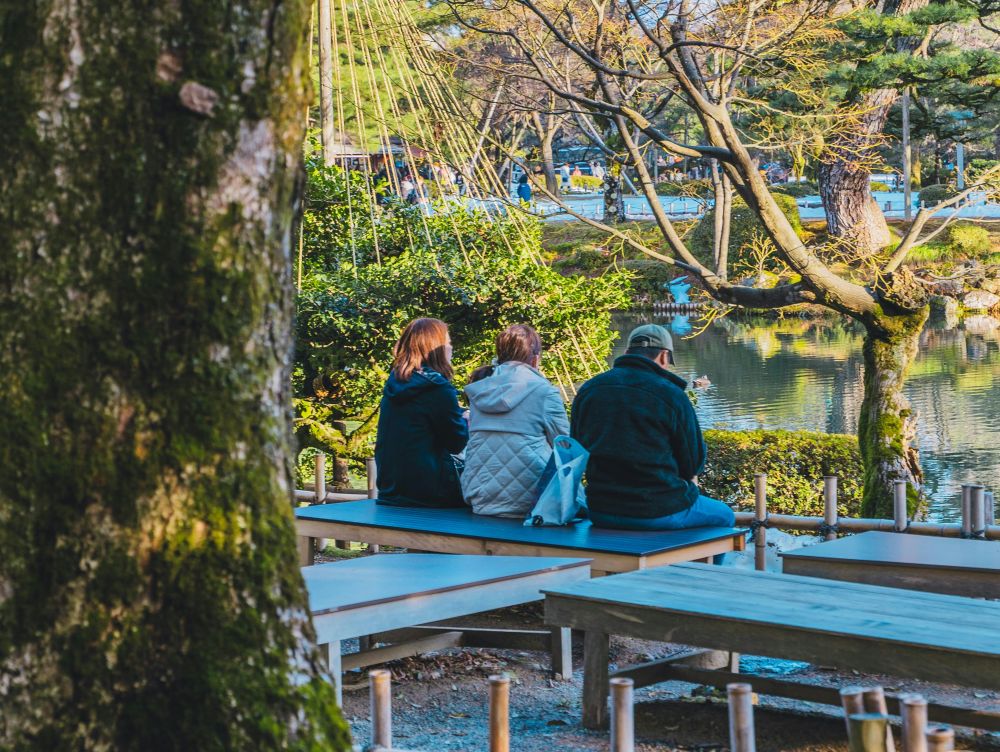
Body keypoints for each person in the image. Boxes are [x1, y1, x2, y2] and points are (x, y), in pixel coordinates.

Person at [570, 324, 735, 530]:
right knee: (725, 516)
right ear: (664, 357)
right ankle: (694, 563)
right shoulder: (672, 395)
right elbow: (693, 463)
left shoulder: (589, 390)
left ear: (628, 352)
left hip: (601, 509)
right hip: (658, 509)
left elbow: (575, 449)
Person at [462, 325, 569, 518]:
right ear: (535, 358)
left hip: (479, 496)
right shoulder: (544, 391)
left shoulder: (480, 390)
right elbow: (565, 445)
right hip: (532, 500)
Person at [374, 318, 468, 507]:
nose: (451, 348)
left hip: (390, 490)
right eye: (448, 343)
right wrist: (466, 420)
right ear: (436, 348)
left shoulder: (394, 383)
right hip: (431, 492)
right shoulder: (438, 388)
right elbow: (456, 443)